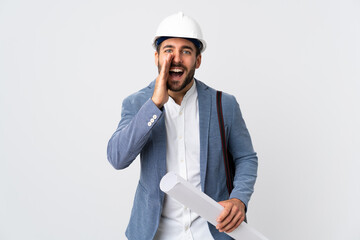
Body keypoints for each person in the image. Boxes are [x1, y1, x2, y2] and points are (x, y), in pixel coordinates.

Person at [107, 12, 258, 240]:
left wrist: (239, 199)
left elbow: (246, 158)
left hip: (212, 232)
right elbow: (117, 158)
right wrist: (155, 104)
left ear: (198, 60)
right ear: (157, 57)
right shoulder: (137, 103)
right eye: (168, 50)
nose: (175, 59)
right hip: (155, 233)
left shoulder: (224, 104)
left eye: (186, 51)